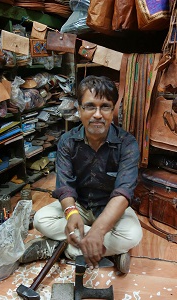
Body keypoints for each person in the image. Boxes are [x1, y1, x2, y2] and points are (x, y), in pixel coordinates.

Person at [19, 75, 143, 274]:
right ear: (79, 109)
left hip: (110, 209)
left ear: (114, 109)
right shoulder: (67, 141)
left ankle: (56, 248)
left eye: (105, 107)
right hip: (80, 207)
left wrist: (99, 229)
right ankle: (108, 251)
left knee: (133, 235)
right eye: (90, 106)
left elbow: (123, 193)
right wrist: (71, 213)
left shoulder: (127, 144)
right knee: (41, 219)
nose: (97, 114)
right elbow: (65, 186)